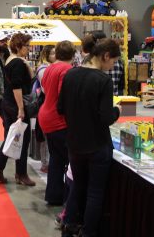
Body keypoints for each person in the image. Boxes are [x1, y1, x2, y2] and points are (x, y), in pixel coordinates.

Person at [58, 38, 122, 237]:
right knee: (95, 192)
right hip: (97, 145)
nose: (112, 67)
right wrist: (117, 111)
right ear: (105, 56)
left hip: (74, 142)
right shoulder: (103, 81)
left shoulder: (70, 74)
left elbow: (60, 108)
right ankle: (88, 232)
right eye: (113, 62)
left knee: (78, 185)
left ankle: (69, 225)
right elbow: (106, 118)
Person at [0, 32, 35, 187]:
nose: (29, 49)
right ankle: (19, 174)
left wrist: (27, 65)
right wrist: (21, 109)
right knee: (20, 139)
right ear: (18, 46)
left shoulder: (13, 60)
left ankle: (2, 171)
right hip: (15, 105)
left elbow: (29, 78)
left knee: (13, 137)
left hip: (9, 103)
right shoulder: (17, 63)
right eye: (27, 46)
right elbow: (17, 87)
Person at [37, 41, 75, 206]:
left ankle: (54, 195)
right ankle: (66, 197)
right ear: (72, 55)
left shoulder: (49, 68)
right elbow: (63, 97)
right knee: (67, 161)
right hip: (58, 120)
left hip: (46, 116)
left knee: (56, 159)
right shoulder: (66, 70)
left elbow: (45, 89)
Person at [34, 44, 56, 173]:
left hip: (50, 104)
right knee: (45, 136)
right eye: (52, 53)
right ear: (46, 55)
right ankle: (45, 163)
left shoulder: (52, 67)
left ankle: (48, 162)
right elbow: (46, 89)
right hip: (45, 104)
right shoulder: (43, 68)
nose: (55, 55)